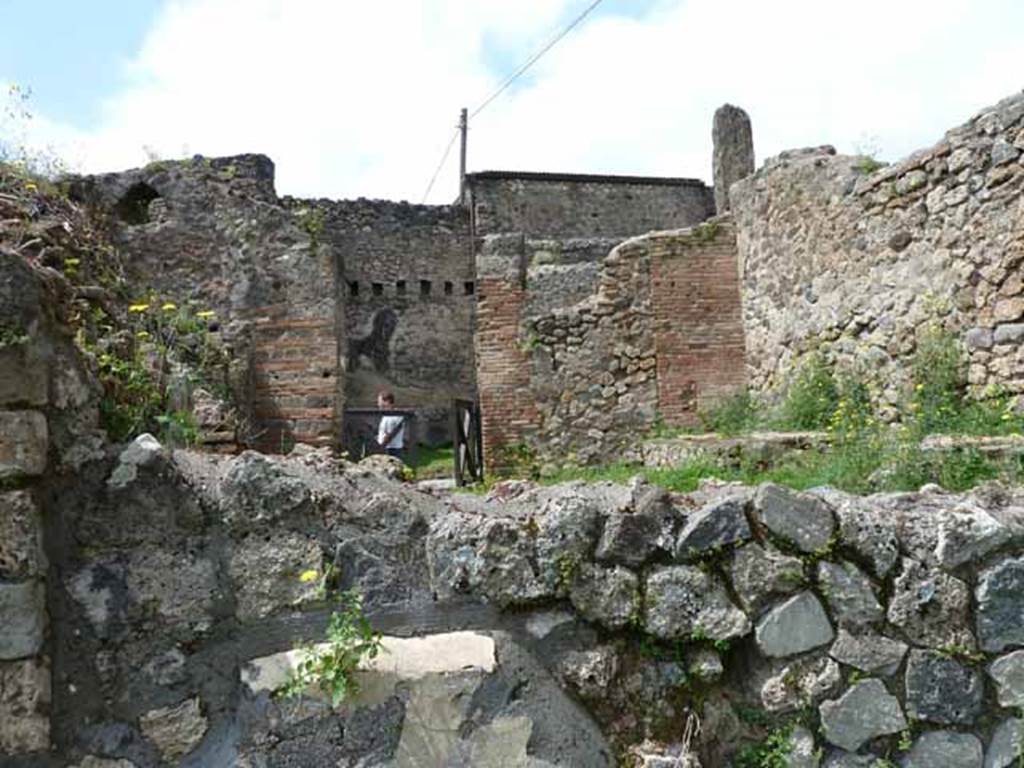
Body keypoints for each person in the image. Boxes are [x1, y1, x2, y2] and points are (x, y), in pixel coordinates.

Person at [376, 390, 405, 459]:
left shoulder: (395, 415)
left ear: (387, 401)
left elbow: (389, 435)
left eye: (379, 402)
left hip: (391, 449)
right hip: (386, 448)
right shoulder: (386, 415)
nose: (378, 404)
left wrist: (379, 448)